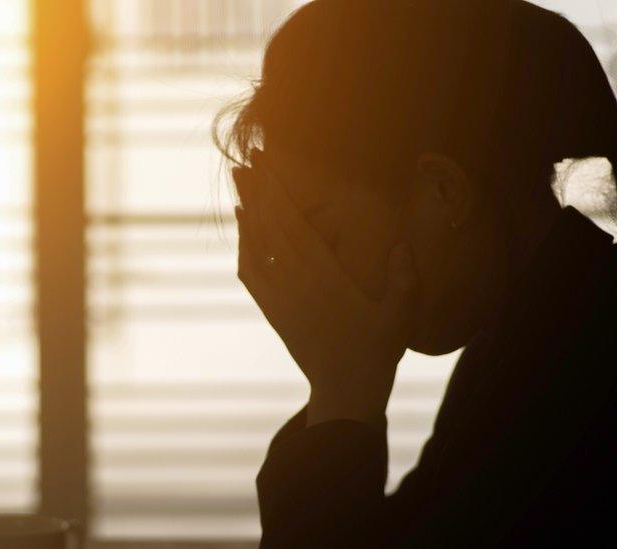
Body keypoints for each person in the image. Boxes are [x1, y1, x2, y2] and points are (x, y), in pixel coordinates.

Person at [215, 0, 617, 546]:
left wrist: (343, 397)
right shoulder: (523, 339)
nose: (310, 273)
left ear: (444, 191)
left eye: (321, 234)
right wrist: (342, 403)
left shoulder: (581, 372)